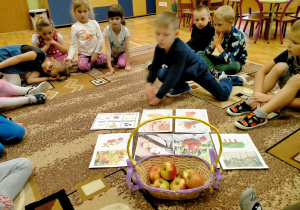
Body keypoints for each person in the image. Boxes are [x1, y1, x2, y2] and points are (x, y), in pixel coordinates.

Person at [145, 11, 246, 106]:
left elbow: (174, 75)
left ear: (176, 35)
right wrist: (149, 83)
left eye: (166, 34)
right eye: (158, 34)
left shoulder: (180, 50)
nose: (160, 38)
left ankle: (227, 79)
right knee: (162, 73)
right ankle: (182, 87)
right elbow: (155, 65)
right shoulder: (160, 47)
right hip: (183, 71)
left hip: (198, 70)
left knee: (223, 96)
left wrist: (158, 96)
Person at [227, 20, 300, 130]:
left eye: (295, 43)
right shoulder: (290, 53)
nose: (288, 44)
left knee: (297, 79)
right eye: (289, 39)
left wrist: (269, 98)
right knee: (280, 66)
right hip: (288, 93)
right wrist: (257, 95)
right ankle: (251, 102)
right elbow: (262, 71)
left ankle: (261, 114)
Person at [198, 5, 247, 78]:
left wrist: (218, 45)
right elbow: (206, 53)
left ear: (230, 22)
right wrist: (214, 44)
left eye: (219, 25)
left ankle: (209, 67)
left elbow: (230, 61)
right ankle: (214, 70)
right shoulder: (218, 32)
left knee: (234, 67)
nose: (216, 28)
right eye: (215, 24)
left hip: (235, 62)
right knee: (199, 53)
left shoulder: (237, 36)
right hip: (222, 59)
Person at [64, 0, 107, 72]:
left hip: (95, 53)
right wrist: (70, 57)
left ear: (88, 11)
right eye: (79, 12)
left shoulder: (94, 23)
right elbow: (73, 45)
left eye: (85, 11)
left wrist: (96, 53)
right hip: (84, 54)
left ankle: (92, 62)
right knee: (82, 67)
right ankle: (92, 64)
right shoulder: (75, 27)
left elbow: (100, 39)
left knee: (106, 60)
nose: (82, 14)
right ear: (75, 12)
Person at [0, 45, 69, 85]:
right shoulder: (39, 54)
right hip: (5, 56)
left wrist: (48, 78)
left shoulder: (41, 68)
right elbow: (16, 59)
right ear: (53, 61)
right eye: (51, 67)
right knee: (16, 82)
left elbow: (30, 80)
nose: (47, 69)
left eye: (49, 72)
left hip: (13, 66)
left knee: (17, 82)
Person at [103, 4, 131, 75]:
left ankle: (120, 59)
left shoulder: (125, 30)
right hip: (112, 53)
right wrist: (110, 67)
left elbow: (127, 48)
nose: (114, 21)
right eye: (112, 19)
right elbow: (108, 49)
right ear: (108, 19)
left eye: (117, 19)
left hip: (121, 52)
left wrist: (128, 65)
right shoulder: (107, 30)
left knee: (121, 64)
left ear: (122, 19)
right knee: (102, 61)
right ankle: (114, 59)